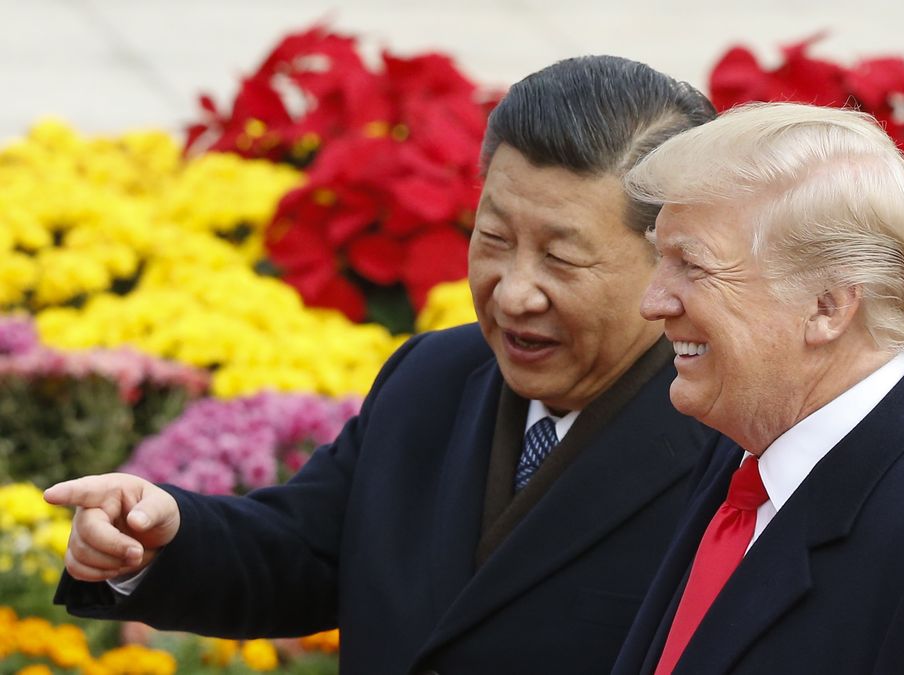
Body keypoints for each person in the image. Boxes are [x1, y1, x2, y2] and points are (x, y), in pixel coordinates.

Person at [43, 55, 719, 674]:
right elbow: (304, 550)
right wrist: (162, 536)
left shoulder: (729, 439)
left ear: (672, 258)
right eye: (493, 239)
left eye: (562, 259)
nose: (513, 291)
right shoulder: (435, 375)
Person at [611, 102, 904, 674]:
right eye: (659, 258)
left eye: (693, 266)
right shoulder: (752, 437)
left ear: (828, 306)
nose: (653, 302)